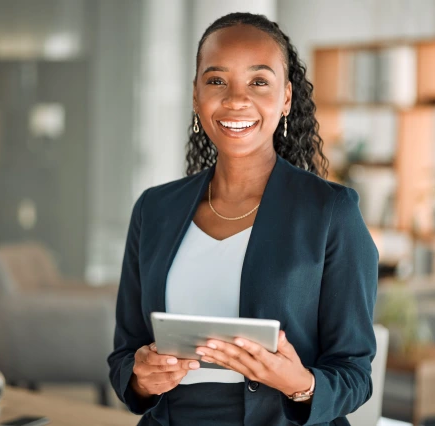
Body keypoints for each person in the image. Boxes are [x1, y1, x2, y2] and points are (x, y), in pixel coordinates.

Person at [108, 12, 378, 426]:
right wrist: (142, 379)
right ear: (196, 96)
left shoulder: (330, 212)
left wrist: (299, 383)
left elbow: (355, 373)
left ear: (286, 98)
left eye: (259, 81)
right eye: (216, 81)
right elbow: (125, 354)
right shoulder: (154, 209)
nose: (236, 100)